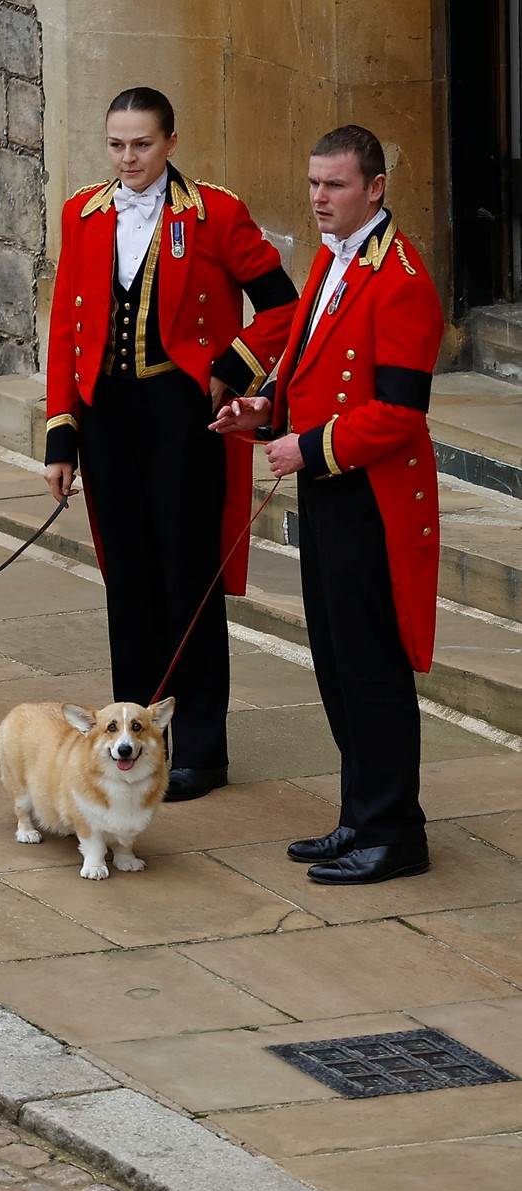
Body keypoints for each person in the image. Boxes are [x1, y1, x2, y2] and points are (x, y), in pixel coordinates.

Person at [43, 86, 298, 801]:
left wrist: (232, 370)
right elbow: (66, 328)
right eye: (118, 145)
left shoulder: (215, 213)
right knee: (127, 582)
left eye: (143, 144)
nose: (129, 159)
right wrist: (61, 436)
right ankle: (135, 743)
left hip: (185, 417)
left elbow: (284, 304)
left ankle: (203, 752)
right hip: (109, 420)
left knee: (188, 583)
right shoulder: (81, 214)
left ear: (171, 143)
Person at [215, 125, 445, 883]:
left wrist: (307, 448)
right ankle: (359, 816)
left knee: (372, 666)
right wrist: (263, 413)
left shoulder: (402, 277)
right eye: (313, 184)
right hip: (330, 492)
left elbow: (400, 413)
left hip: (373, 501)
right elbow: (308, 371)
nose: (319, 199)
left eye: (335, 185)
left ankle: (394, 834)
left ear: (375, 188)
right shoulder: (330, 258)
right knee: (337, 663)